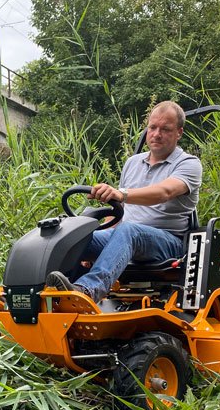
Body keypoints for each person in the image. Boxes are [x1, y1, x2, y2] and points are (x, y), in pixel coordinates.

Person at [46, 100, 202, 301]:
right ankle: (36, 293)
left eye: (165, 129)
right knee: (73, 235)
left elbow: (164, 192)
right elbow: (122, 212)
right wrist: (94, 233)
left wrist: (122, 194)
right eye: (153, 127)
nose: (156, 134)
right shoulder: (133, 162)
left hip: (168, 242)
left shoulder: (189, 164)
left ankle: (87, 291)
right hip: (125, 235)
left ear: (179, 133)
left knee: (130, 230)